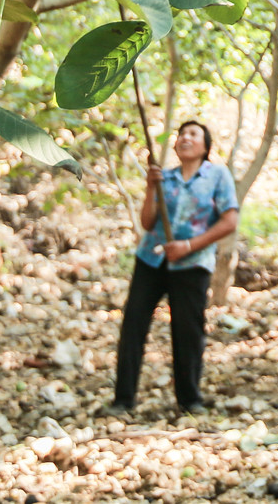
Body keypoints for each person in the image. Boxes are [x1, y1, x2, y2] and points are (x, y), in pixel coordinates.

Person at [109, 119, 239, 416]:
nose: (185, 138)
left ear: (206, 146)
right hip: (152, 259)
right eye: (181, 134)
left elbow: (229, 221)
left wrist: (189, 246)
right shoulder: (164, 177)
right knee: (133, 324)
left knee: (187, 330)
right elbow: (147, 222)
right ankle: (123, 399)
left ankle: (190, 399)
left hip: (192, 264)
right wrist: (150, 188)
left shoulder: (217, 175)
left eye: (193, 134)